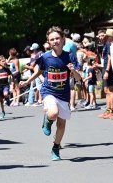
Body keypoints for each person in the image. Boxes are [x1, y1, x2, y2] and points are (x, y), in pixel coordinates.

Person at [19, 26, 81, 161]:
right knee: (53, 113)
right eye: (52, 39)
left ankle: (56, 147)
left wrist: (73, 71)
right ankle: (47, 120)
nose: (55, 41)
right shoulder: (45, 57)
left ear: (63, 39)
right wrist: (27, 81)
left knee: (61, 125)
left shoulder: (69, 56)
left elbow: (78, 78)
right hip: (49, 91)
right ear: (48, 42)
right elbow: (39, 71)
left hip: (63, 94)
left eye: (57, 38)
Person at [96, 29, 113, 119]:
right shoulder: (103, 45)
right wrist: (98, 66)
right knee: (106, 90)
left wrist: (107, 71)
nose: (100, 37)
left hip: (109, 70)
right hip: (104, 68)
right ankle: (108, 109)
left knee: (110, 90)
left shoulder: (108, 44)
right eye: (99, 36)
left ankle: (112, 109)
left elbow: (110, 58)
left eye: (102, 35)